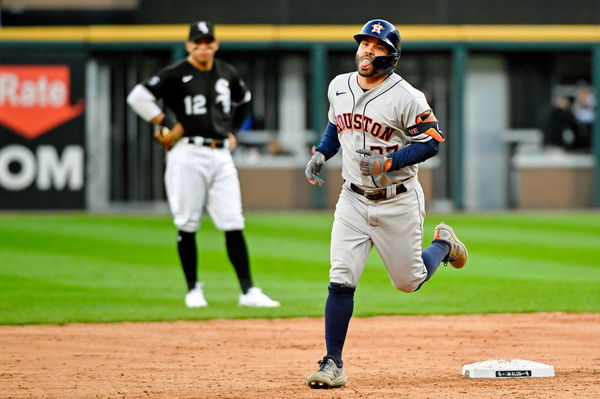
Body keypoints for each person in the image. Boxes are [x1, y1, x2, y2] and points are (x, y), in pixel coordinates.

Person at [304, 19, 468, 389]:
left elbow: (432, 141)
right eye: (365, 44)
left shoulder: (407, 96)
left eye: (377, 47)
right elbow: (336, 126)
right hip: (352, 199)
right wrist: (320, 153)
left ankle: (443, 244)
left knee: (408, 282)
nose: (368, 51)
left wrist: (388, 162)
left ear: (391, 56)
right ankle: (333, 362)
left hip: (397, 201)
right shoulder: (339, 85)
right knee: (341, 277)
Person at [127, 20, 279, 308]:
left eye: (208, 42)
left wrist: (233, 131)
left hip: (220, 152)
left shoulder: (226, 72)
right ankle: (192, 289)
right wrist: (166, 121)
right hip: (187, 151)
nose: (203, 47)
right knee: (187, 222)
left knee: (233, 220)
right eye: (197, 42)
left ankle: (248, 291)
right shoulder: (176, 73)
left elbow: (244, 100)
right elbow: (137, 97)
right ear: (189, 46)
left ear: (215, 44)